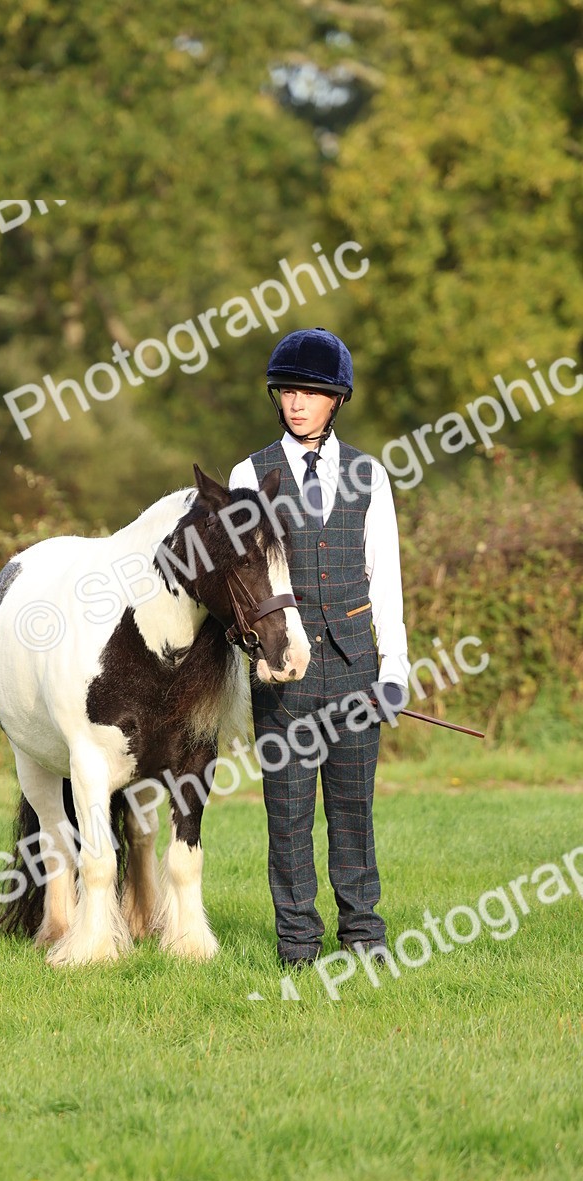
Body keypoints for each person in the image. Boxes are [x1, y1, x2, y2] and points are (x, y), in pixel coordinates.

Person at [228, 327, 410, 968]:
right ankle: (298, 944)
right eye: (288, 392)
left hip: (357, 664)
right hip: (284, 670)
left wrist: (395, 667)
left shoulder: (370, 474)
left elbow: (382, 575)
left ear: (337, 400)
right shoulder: (248, 473)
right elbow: (242, 580)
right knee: (288, 816)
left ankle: (364, 935)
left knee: (354, 812)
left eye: (311, 392)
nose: (297, 403)